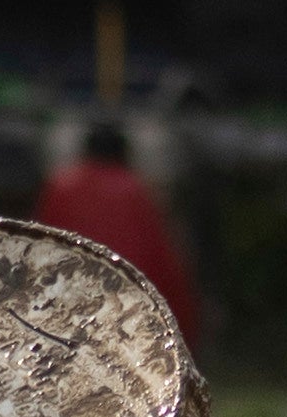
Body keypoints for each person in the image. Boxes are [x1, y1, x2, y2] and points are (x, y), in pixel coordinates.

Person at [33, 111, 199, 348]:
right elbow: (165, 265)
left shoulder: (61, 187)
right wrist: (186, 330)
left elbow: (38, 254)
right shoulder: (139, 191)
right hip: (129, 312)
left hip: (68, 308)